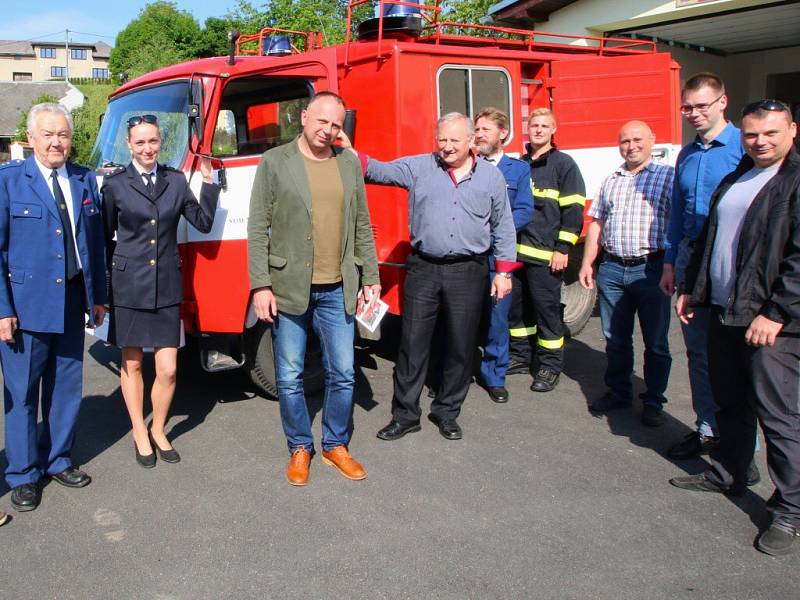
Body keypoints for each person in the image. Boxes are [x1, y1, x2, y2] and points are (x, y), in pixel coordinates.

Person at [669, 101, 800, 556]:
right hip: (725, 310)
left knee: (778, 415)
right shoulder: (738, 177)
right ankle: (731, 471)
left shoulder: (794, 181)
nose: (760, 141)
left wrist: (777, 312)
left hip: (770, 322)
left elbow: (798, 258)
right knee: (730, 401)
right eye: (751, 134)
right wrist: (692, 289)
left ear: (792, 130)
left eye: (770, 133)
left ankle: (790, 510)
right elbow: (710, 240)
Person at [352, 112, 516, 441]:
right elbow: (379, 171)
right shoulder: (420, 167)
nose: (447, 146)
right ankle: (405, 415)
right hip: (424, 267)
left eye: (455, 140)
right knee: (412, 344)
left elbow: (503, 226)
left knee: (460, 345)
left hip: (468, 270)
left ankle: (446, 411)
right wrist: (348, 151)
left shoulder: (491, 178)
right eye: (442, 139)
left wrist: (503, 272)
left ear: (472, 141)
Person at [248, 92, 380, 486]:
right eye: (322, 121)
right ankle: (300, 447)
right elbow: (257, 229)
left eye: (336, 125)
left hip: (338, 287)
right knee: (288, 376)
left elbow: (361, 223)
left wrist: (370, 277)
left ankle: (335, 444)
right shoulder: (275, 162)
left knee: (342, 372)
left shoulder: (348, 163)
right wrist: (261, 285)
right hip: (289, 287)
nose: (328, 130)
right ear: (303, 117)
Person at [0, 103, 107, 511]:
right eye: (47, 134)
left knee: (65, 389)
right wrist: (2, 309)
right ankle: (23, 474)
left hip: (71, 301)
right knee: (23, 394)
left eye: (62, 134)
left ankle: (58, 459)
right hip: (24, 309)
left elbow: (94, 244)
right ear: (30, 139)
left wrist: (99, 297)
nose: (56, 141)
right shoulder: (10, 181)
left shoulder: (83, 180)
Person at [102, 114, 220, 468]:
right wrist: (106, 290)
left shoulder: (176, 179)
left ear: (161, 141)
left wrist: (211, 186)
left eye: (153, 141)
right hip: (130, 286)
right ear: (129, 146)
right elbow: (105, 238)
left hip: (167, 283)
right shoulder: (115, 185)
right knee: (134, 363)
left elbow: (201, 221)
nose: (147, 148)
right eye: (140, 142)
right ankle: (140, 429)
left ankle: (159, 428)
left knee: (168, 368)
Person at [659, 73, 744, 459]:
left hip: (731, 261)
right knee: (698, 353)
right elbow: (677, 212)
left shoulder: (745, 147)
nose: (693, 114)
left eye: (701, 106)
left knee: (736, 359)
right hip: (692, 261)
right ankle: (707, 430)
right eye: (687, 107)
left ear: (722, 102)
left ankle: (739, 446)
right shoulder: (687, 154)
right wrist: (670, 262)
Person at [578, 121, 673, 427]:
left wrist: (674, 266)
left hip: (651, 269)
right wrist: (587, 262)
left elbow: (678, 225)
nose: (631, 146)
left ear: (652, 141)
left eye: (637, 140)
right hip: (613, 269)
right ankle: (619, 392)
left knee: (655, 342)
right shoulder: (612, 180)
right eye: (624, 141)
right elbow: (597, 223)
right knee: (615, 338)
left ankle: (653, 401)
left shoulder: (668, 177)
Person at [509, 108, 586, 392]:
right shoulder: (520, 165)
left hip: (545, 255)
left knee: (547, 312)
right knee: (517, 311)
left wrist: (563, 247)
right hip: (517, 254)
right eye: (534, 125)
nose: (538, 130)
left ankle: (549, 365)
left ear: (553, 129)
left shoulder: (564, 165)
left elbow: (574, 209)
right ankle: (520, 356)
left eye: (544, 126)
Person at [472, 108, 533, 403]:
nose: (479, 134)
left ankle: (494, 376)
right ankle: (453, 374)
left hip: (499, 257)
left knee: (498, 318)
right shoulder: (468, 166)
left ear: (503, 134)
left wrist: (495, 232)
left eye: (485, 129)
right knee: (462, 318)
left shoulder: (518, 170)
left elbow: (523, 210)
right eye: (477, 129)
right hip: (469, 257)